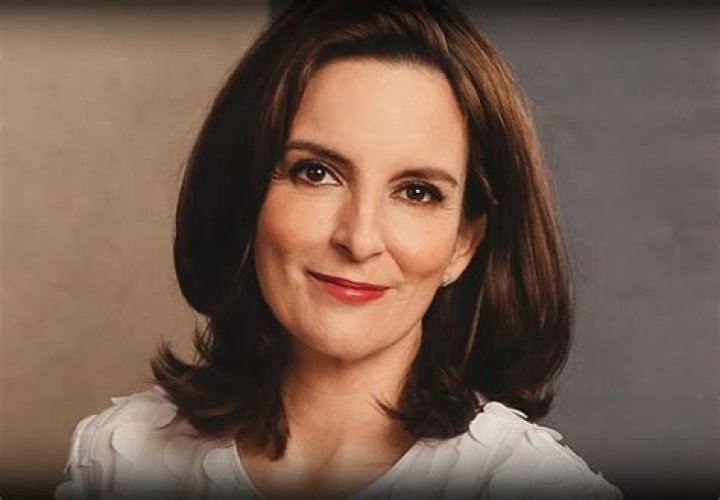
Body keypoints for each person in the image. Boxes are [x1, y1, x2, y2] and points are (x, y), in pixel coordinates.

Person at [56, 0, 622, 498]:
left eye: (416, 192)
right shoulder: (121, 457)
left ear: (463, 243)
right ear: (245, 190)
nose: (359, 239)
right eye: (317, 172)